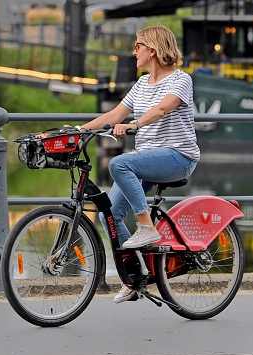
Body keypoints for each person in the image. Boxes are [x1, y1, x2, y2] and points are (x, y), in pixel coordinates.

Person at [80, 24, 199, 303]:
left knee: (119, 164)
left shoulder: (181, 80)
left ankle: (147, 227)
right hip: (148, 159)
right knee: (108, 214)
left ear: (153, 50)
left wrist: (135, 124)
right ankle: (134, 277)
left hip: (178, 156)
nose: (133, 52)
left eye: (138, 46)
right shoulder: (141, 84)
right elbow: (113, 114)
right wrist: (78, 130)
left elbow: (163, 108)